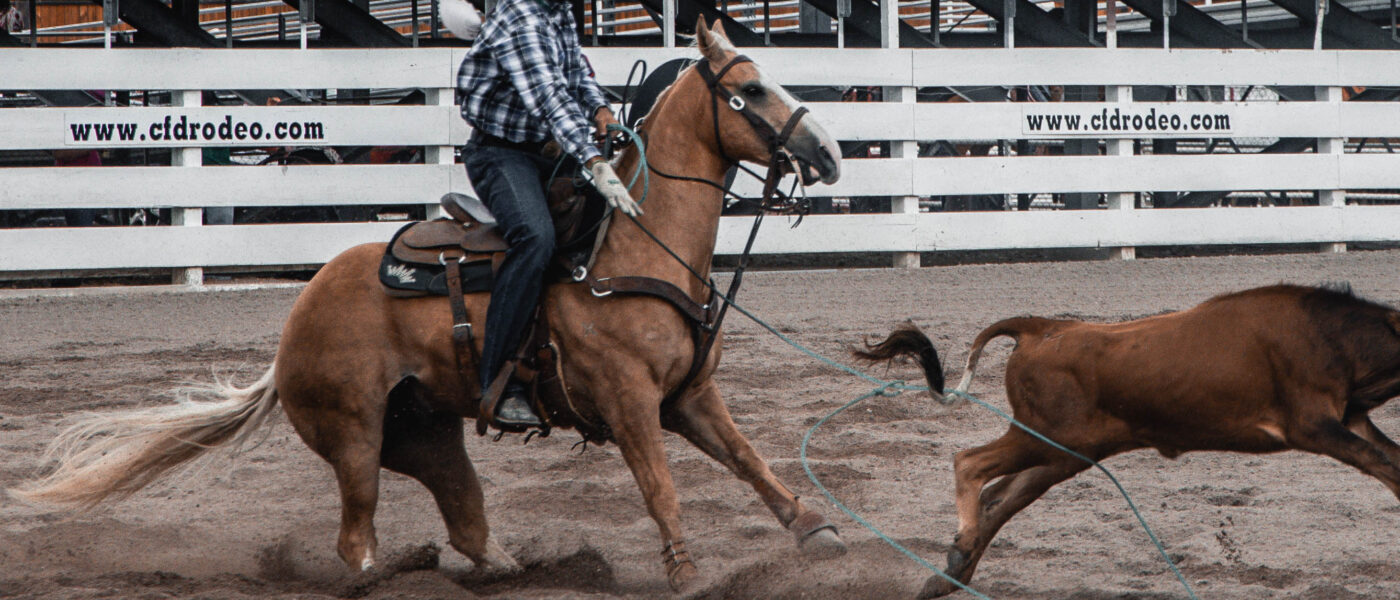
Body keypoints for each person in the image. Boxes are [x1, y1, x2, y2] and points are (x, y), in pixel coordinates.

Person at [456, 0, 640, 430]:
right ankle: (498, 381)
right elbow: (549, 96)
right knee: (535, 238)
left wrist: (599, 109)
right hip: (499, 154)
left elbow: (575, 75)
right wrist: (593, 158)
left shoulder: (558, 12)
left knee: (600, 228)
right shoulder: (520, 15)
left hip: (547, 150)